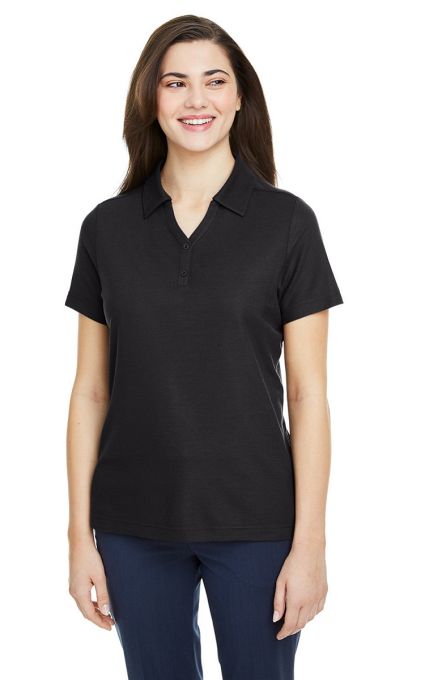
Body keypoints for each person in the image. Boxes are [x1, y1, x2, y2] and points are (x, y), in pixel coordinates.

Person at [65, 14, 344, 680]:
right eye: (175, 83)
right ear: (150, 98)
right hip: (133, 522)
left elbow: (308, 395)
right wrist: (79, 537)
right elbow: (90, 391)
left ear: (240, 96)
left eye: (215, 81)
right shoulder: (106, 228)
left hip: (257, 520)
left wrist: (309, 544)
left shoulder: (288, 223)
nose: (197, 100)